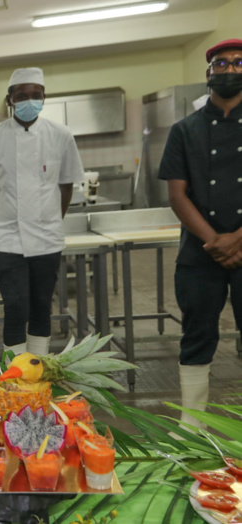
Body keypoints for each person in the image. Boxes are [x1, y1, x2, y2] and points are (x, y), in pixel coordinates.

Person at [158, 39, 242, 430]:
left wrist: (238, 238)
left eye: (239, 63)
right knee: (196, 338)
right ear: (209, 74)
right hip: (199, 254)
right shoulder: (184, 130)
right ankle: (192, 430)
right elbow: (177, 194)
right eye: (221, 64)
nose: (230, 70)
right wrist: (217, 241)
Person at [0, 67, 84, 356]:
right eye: (22, 96)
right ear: (10, 100)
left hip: (47, 236)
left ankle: (39, 369)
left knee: (40, 306)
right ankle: (15, 376)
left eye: (36, 95)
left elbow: (66, 184)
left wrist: (51, 220)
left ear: (44, 97)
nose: (29, 101)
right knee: (15, 305)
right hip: (7, 238)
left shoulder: (61, 135)